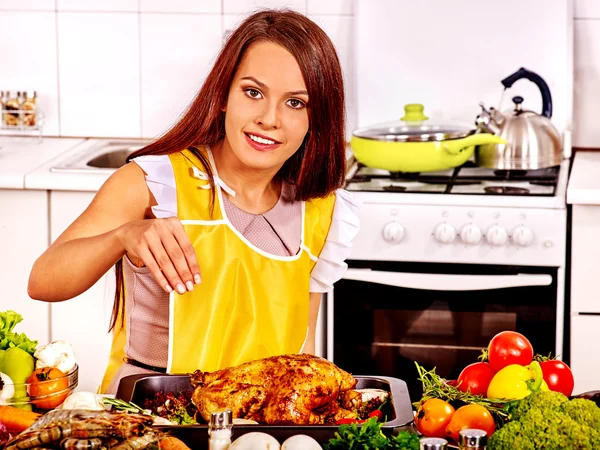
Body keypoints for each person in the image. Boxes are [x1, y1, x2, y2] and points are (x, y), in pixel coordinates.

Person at [27, 9, 359, 394]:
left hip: (257, 426)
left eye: (295, 103)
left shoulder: (321, 212)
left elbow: (302, 351)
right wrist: (124, 235)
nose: (270, 119)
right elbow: (43, 281)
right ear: (223, 96)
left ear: (317, 118)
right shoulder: (153, 183)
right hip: (151, 419)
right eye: (253, 93)